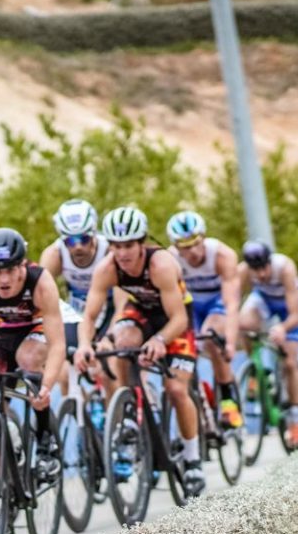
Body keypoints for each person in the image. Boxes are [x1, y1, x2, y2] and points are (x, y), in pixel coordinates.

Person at [72, 205, 204, 497]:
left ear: (142, 242)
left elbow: (179, 319)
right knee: (123, 343)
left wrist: (159, 340)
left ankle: (193, 458)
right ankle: (130, 407)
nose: (123, 253)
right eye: (116, 246)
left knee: (176, 389)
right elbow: (90, 317)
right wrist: (84, 345)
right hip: (141, 312)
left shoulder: (162, 265)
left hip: (174, 319)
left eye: (129, 245)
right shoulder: (107, 268)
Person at [0, 226, 67, 482]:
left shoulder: (40, 282)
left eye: (10, 270)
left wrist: (46, 386)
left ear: (22, 265)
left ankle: (46, 442)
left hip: (34, 331)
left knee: (27, 359)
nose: (3, 280)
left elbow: (57, 344)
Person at [166, 210, 243, 430]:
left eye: (195, 244)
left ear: (204, 237)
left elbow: (232, 304)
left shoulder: (222, 256)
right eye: (184, 247)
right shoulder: (170, 259)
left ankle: (228, 398)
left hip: (217, 302)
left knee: (211, 336)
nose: (191, 252)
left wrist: (229, 342)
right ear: (176, 246)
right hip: (191, 306)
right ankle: (198, 402)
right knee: (184, 348)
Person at [239, 239, 298, 450]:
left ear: (270, 261)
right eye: (255, 270)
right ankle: (256, 369)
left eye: (263, 268)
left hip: (289, 306)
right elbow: (231, 303)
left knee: (289, 363)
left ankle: (295, 419)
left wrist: (282, 329)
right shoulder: (243, 271)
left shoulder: (285, 268)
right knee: (242, 324)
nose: (260, 275)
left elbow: (295, 316)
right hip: (263, 300)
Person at [37, 198, 113, 357]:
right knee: (66, 350)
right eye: (70, 240)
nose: (78, 247)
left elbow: (123, 301)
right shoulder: (54, 254)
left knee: (109, 355)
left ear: (93, 234)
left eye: (84, 239)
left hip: (108, 306)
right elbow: (40, 293)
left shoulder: (109, 251)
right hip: (77, 308)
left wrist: (110, 336)